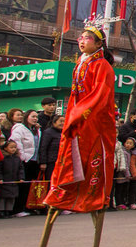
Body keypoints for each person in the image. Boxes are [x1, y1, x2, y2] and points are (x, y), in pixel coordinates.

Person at [43, 26, 116, 213]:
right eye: (80, 38)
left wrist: (78, 114)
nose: (82, 41)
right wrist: (72, 115)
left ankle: (92, 198)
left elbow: (100, 95)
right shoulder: (80, 63)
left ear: (99, 43)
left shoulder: (103, 66)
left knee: (92, 157)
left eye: (87, 38)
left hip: (95, 119)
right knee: (70, 153)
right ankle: (65, 195)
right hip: (78, 114)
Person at [11, 109, 41, 216]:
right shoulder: (19, 128)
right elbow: (16, 142)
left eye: (36, 117)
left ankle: (25, 207)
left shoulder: (36, 129)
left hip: (34, 160)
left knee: (29, 186)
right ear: (26, 117)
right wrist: (22, 156)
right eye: (32, 116)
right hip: (24, 160)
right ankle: (17, 209)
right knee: (21, 185)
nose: (35, 119)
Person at [0, 140, 22, 218]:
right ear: (5, 148)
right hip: (4, 180)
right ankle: (0, 211)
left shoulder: (17, 158)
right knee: (2, 197)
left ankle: (8, 210)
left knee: (12, 196)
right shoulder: (3, 158)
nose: (13, 149)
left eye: (14, 147)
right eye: (11, 147)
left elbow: (21, 169)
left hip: (13, 180)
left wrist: (21, 178)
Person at [37, 116, 64, 190]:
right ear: (54, 122)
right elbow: (43, 147)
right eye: (61, 121)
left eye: (64, 121)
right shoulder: (48, 132)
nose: (63, 123)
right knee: (50, 181)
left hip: (62, 161)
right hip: (51, 161)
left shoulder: (64, 132)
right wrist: (43, 162)